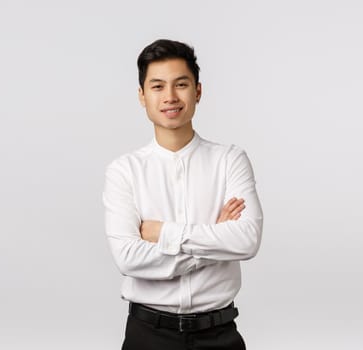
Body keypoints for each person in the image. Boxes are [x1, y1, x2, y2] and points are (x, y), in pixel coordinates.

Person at [103, 39, 263, 350]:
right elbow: (128, 258)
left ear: (198, 91)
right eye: (158, 86)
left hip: (219, 335)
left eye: (181, 84)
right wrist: (216, 239)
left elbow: (247, 240)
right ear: (142, 96)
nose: (170, 97)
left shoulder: (230, 160)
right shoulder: (124, 171)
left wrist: (164, 234)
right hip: (148, 335)